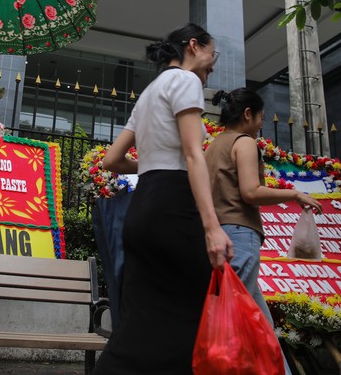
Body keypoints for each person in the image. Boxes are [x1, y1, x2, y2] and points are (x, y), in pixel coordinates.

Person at [93, 23, 233, 375]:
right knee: (188, 316)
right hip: (174, 207)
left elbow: (111, 161)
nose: (212, 63)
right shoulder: (185, 82)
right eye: (211, 53)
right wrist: (213, 227)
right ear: (193, 46)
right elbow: (192, 155)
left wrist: (150, 163)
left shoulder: (149, 92)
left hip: (143, 208)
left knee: (140, 323)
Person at [205, 87, 322, 374]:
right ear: (247, 114)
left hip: (219, 236)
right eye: (260, 117)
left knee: (262, 325)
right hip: (239, 237)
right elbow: (250, 191)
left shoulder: (213, 146)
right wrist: (294, 195)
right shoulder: (244, 143)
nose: (261, 124)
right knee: (235, 323)